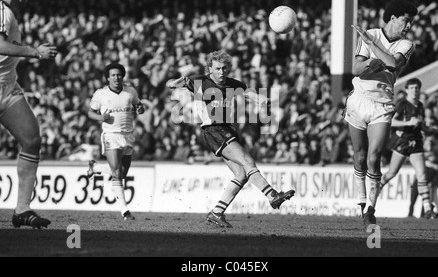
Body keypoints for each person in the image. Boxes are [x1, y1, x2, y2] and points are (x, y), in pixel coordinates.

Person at [166, 50, 295, 228]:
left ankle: (216, 213)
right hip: (213, 129)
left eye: (225, 68)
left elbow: (249, 93)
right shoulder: (200, 81)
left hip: (226, 130)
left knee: (241, 174)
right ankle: (272, 196)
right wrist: (175, 83)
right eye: (218, 68)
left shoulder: (233, 84)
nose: (221, 72)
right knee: (247, 160)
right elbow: (176, 83)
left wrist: (261, 100)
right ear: (210, 68)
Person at [347, 0, 418, 225]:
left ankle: (370, 208)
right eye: (406, 21)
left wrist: (373, 49)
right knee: (359, 156)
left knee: (374, 156)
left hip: (382, 105)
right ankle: (360, 200)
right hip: (358, 99)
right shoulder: (370, 33)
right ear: (393, 18)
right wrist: (372, 64)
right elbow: (356, 69)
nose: (408, 27)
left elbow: (393, 63)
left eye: (411, 23)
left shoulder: (406, 45)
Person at [0, 0, 57, 229]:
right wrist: (35, 52)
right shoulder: (2, 12)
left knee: (31, 139)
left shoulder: (8, 14)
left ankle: (22, 209)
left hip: (8, 88)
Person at [87, 63, 145, 220]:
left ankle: (96, 167)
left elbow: (139, 105)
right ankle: (125, 212)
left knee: (122, 173)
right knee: (117, 173)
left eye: (119, 75)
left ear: (123, 76)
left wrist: (140, 108)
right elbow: (90, 113)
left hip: (128, 135)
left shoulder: (130, 91)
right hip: (111, 135)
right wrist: (100, 117)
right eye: (113, 75)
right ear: (107, 77)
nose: (116, 77)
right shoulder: (100, 94)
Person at [379, 78, 436, 219]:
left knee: (422, 175)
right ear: (407, 90)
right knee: (392, 173)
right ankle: (376, 188)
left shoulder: (421, 106)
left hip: (416, 142)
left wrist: (428, 129)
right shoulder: (402, 105)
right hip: (403, 142)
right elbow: (391, 121)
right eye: (412, 88)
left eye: (417, 88)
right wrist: (408, 122)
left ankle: (428, 208)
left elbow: (419, 125)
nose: (415, 91)